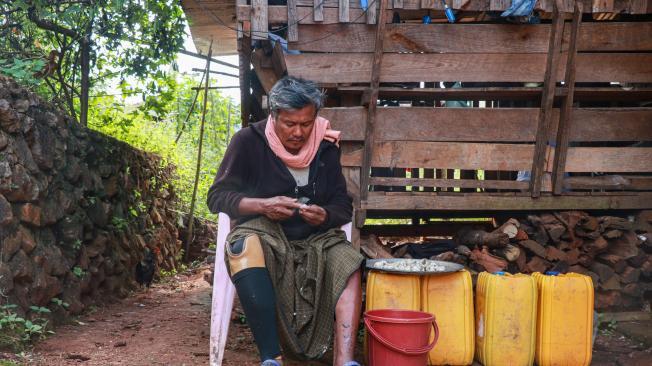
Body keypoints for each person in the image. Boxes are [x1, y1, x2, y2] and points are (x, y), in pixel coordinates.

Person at [207, 76, 364, 366]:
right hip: (263, 231)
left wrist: (325, 215)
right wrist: (263, 206)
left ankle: (345, 360)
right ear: (274, 115)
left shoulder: (326, 148)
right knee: (244, 246)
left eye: (306, 124)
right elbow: (217, 197)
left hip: (316, 238)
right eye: (289, 124)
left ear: (315, 118)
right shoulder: (248, 142)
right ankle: (271, 357)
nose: (298, 132)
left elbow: (342, 206)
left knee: (349, 261)